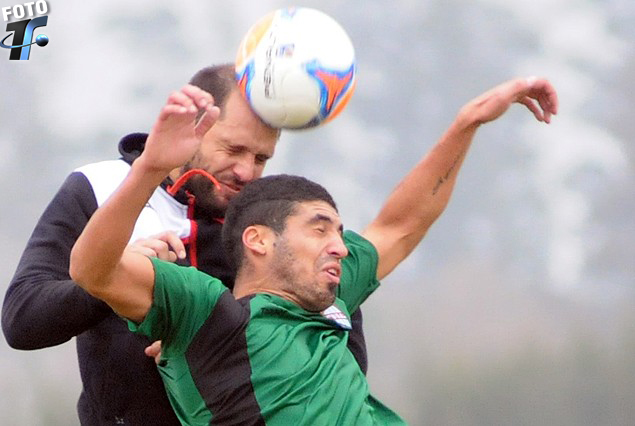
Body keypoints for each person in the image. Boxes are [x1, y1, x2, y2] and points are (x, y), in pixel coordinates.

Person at [69, 77, 557, 424]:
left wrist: (468, 122)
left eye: (339, 233)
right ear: (259, 239)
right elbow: (92, 270)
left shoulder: (331, 296)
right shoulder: (208, 318)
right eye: (319, 229)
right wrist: (151, 168)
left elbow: (401, 224)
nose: (340, 247)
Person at [0, 64, 284, 425]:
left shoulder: (269, 224)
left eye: (260, 159)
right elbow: (22, 320)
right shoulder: (101, 186)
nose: (245, 171)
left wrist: (207, 344)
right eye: (233, 149)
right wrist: (110, 275)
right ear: (195, 128)